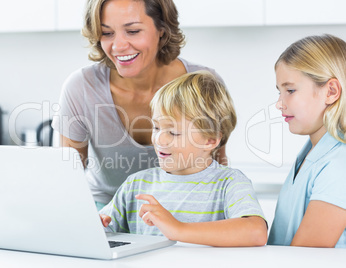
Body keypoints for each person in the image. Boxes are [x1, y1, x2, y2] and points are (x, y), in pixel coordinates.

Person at [51, 0, 227, 210]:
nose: (118, 46)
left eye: (133, 31)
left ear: (162, 29)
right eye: (107, 33)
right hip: (106, 212)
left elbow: (217, 167)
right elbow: (68, 178)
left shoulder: (202, 84)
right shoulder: (81, 87)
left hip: (183, 208)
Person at [99, 71, 268, 247]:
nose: (159, 139)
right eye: (156, 128)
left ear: (210, 140)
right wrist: (97, 225)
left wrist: (178, 229)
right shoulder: (136, 184)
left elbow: (256, 232)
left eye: (173, 132)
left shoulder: (229, 183)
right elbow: (105, 232)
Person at [268, 34, 346, 248]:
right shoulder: (313, 152)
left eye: (290, 90)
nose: (279, 104)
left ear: (331, 92)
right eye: (279, 92)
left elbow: (307, 257)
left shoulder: (340, 163)